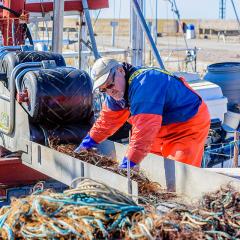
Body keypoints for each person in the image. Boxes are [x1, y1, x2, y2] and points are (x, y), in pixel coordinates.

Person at [74, 57, 210, 168]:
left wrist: (127, 166)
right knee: (151, 169)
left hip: (187, 126)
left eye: (110, 85)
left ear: (120, 70)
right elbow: (107, 122)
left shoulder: (144, 85)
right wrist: (88, 143)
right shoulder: (118, 93)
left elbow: (144, 131)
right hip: (160, 127)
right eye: (103, 90)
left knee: (179, 173)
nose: (110, 91)